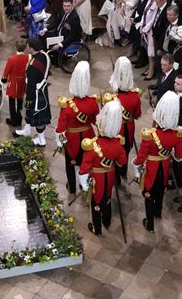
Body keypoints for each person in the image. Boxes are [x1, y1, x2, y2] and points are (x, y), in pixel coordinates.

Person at [133, 91, 182, 232]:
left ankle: (149, 223)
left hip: (151, 168)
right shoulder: (177, 135)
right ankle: (158, 213)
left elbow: (141, 158)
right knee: (161, 191)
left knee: (148, 194)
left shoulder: (149, 135)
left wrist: (136, 168)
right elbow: (178, 156)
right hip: (165, 166)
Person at [78, 100, 127, 236]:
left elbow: (84, 168)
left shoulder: (93, 145)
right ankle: (107, 220)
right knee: (107, 196)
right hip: (110, 175)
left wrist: (83, 184)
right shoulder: (118, 144)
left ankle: (97, 228)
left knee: (96, 202)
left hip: (96, 178)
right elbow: (122, 162)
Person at [55, 61, 100, 194]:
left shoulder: (67, 106)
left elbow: (60, 127)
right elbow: (94, 120)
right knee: (86, 163)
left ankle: (72, 188)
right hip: (88, 135)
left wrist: (59, 141)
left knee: (70, 165)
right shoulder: (92, 102)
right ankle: (84, 185)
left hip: (72, 140)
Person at [104, 56, 142, 180]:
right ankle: (123, 172)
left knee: (116, 152)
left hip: (117, 128)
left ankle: (117, 178)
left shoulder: (112, 99)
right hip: (129, 128)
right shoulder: (135, 96)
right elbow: (137, 115)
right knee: (125, 151)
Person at [13, 38, 51, 146]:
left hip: (35, 93)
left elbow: (31, 85)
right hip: (42, 88)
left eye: (28, 46)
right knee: (31, 114)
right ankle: (27, 130)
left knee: (38, 117)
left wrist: (29, 100)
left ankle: (41, 140)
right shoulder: (44, 55)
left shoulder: (32, 67)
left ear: (31, 48)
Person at [1, 39, 30, 127]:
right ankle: (19, 118)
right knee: (20, 101)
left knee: (12, 102)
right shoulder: (28, 57)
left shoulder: (12, 59)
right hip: (23, 82)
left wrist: (4, 79)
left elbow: (7, 71)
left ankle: (14, 120)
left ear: (15, 47)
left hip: (14, 83)